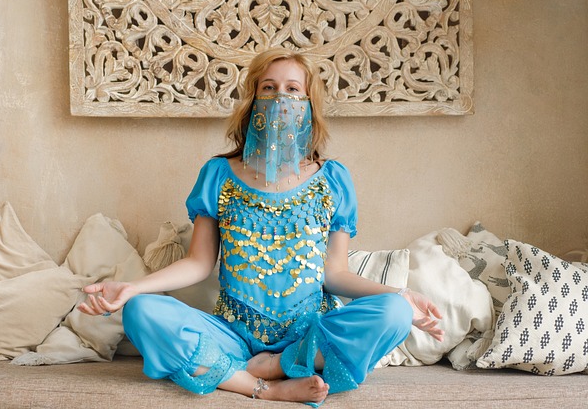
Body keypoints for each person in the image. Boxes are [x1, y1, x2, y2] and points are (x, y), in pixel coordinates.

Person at [78, 48, 444, 406]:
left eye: (292, 89)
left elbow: (335, 273)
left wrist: (399, 295)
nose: (279, 98)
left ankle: (283, 364)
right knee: (141, 312)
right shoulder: (218, 174)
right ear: (252, 98)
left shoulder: (333, 179)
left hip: (310, 335)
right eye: (268, 88)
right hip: (233, 336)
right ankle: (265, 388)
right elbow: (199, 263)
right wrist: (132, 288)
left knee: (394, 312)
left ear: (309, 103)